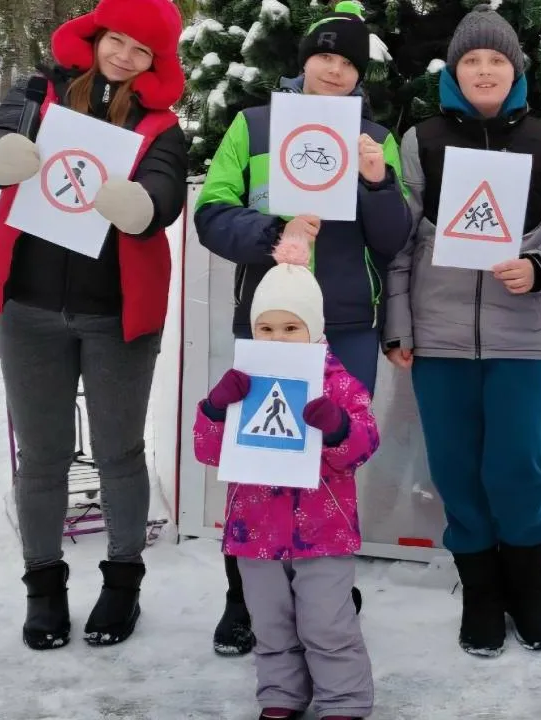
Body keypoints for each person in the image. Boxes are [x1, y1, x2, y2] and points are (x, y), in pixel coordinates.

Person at [194, 0, 411, 656]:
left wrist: (377, 183)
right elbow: (210, 211)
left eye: (348, 61)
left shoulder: (375, 136)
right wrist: (270, 234)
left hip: (344, 323)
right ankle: (244, 597)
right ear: (304, 61)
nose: (335, 70)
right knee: (256, 456)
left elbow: (394, 238)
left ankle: (326, 586)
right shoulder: (254, 126)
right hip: (270, 321)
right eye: (325, 56)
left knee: (332, 458)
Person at [0, 0, 187, 650]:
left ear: (157, 62)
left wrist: (145, 204)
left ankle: (122, 582)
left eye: (141, 50)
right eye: (117, 41)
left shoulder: (162, 126)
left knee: (119, 453)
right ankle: (44, 590)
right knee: (40, 459)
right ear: (96, 36)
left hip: (116, 315)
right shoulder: (38, 93)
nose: (124, 56)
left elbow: (167, 190)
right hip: (30, 310)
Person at [380, 3, 541, 658]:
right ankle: (482, 593)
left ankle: (528, 588)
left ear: (516, 70)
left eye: (497, 60)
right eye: (473, 60)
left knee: (518, 465)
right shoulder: (423, 140)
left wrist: (538, 267)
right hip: (438, 338)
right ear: (455, 71)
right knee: (457, 470)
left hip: (519, 338)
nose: (485, 71)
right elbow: (401, 243)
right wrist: (400, 325)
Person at [194, 263, 379, 720]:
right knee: (270, 622)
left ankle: (344, 699)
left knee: (327, 622)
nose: (277, 338)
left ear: (314, 328)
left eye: (291, 327)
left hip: (324, 529)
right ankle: (280, 693)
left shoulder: (338, 385)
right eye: (267, 327)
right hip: (254, 532)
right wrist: (216, 409)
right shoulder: (241, 384)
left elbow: (363, 444)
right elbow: (209, 451)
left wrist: (337, 427)